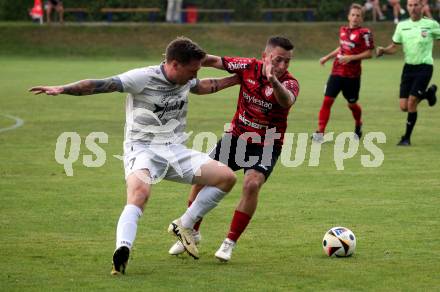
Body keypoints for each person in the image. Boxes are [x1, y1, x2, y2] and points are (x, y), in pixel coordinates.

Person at [29, 37, 240, 274]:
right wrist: (62, 89)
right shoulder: (142, 77)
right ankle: (122, 250)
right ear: (174, 64)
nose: (194, 76)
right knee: (140, 194)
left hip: (176, 150)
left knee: (226, 177)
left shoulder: (186, 79)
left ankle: (185, 224)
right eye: (192, 70)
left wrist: (236, 79)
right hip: (142, 150)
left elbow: (202, 86)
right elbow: (100, 84)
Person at [168, 36, 300, 262]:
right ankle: (192, 232)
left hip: (267, 144)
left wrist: (273, 81)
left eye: (287, 62)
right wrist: (181, 58)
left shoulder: (289, 83)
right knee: (201, 179)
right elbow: (213, 60)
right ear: (265, 56)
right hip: (236, 138)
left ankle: (229, 242)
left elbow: (286, 100)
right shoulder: (248, 67)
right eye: (278, 60)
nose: (282, 66)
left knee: (252, 184)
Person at [376, 0, 438, 146]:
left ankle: (406, 138)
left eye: (416, 5)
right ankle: (428, 93)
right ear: (407, 7)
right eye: (410, 5)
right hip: (408, 68)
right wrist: (384, 50)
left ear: (422, 7)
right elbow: (394, 47)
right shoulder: (402, 26)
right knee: (403, 106)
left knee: (411, 102)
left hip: (424, 67)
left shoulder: (431, 25)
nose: (413, 8)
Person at [312, 4, 374, 143]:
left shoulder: (365, 33)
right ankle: (320, 133)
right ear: (348, 16)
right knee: (327, 101)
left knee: (352, 104)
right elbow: (341, 48)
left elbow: (370, 53)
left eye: (358, 15)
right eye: (353, 15)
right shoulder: (343, 30)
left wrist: (350, 58)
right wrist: (327, 57)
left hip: (352, 76)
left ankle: (358, 124)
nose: (355, 18)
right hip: (336, 72)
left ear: (362, 18)